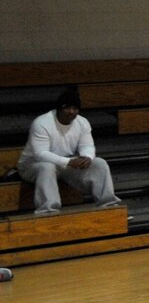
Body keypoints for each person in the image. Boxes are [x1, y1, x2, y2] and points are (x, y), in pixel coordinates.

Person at [17, 86, 121, 215]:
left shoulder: (82, 123)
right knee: (47, 167)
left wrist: (87, 157)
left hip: (64, 163)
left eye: (75, 108)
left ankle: (110, 206)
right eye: (67, 108)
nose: (71, 112)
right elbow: (40, 154)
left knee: (99, 163)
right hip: (31, 165)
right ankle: (48, 211)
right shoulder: (42, 123)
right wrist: (68, 162)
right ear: (59, 108)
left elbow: (87, 145)